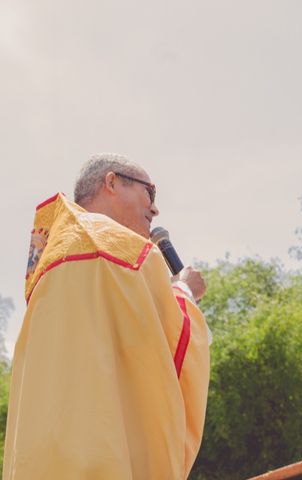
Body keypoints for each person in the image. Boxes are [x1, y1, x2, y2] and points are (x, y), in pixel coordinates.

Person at [3, 154, 211, 480]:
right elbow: (169, 349)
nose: (155, 209)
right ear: (112, 182)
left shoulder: (51, 257)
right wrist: (184, 292)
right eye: (150, 193)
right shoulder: (119, 250)